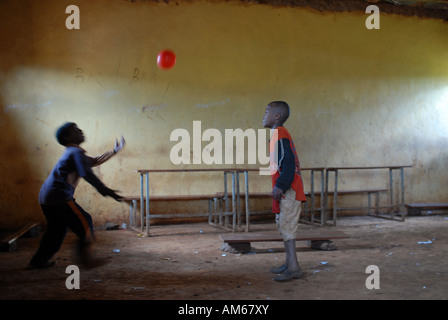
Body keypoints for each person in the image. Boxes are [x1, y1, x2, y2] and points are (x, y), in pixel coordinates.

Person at [28, 122, 125, 269]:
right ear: (67, 137)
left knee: (56, 232)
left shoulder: (72, 152)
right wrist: (105, 190)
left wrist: (114, 151)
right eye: (76, 130)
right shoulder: (75, 153)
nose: (81, 131)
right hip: (59, 197)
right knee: (84, 222)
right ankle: (86, 259)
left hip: (47, 197)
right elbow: (86, 173)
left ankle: (38, 261)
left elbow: (95, 161)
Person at [262, 101, 307, 281]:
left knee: (288, 228)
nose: (263, 115)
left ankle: (294, 267)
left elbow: (288, 163)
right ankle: (289, 263)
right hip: (288, 189)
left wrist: (280, 185)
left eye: (267, 112)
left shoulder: (280, 133)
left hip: (290, 190)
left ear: (277, 116)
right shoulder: (277, 134)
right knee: (283, 225)